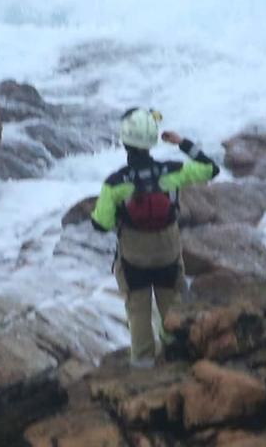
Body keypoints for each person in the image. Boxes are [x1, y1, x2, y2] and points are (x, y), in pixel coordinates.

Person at [90, 107, 221, 366]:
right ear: (151, 141)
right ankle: (175, 353)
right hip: (168, 255)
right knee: (172, 305)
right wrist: (182, 142)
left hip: (134, 260)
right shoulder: (172, 171)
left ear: (125, 142)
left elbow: (101, 225)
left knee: (138, 312)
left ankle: (142, 363)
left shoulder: (115, 183)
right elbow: (211, 168)